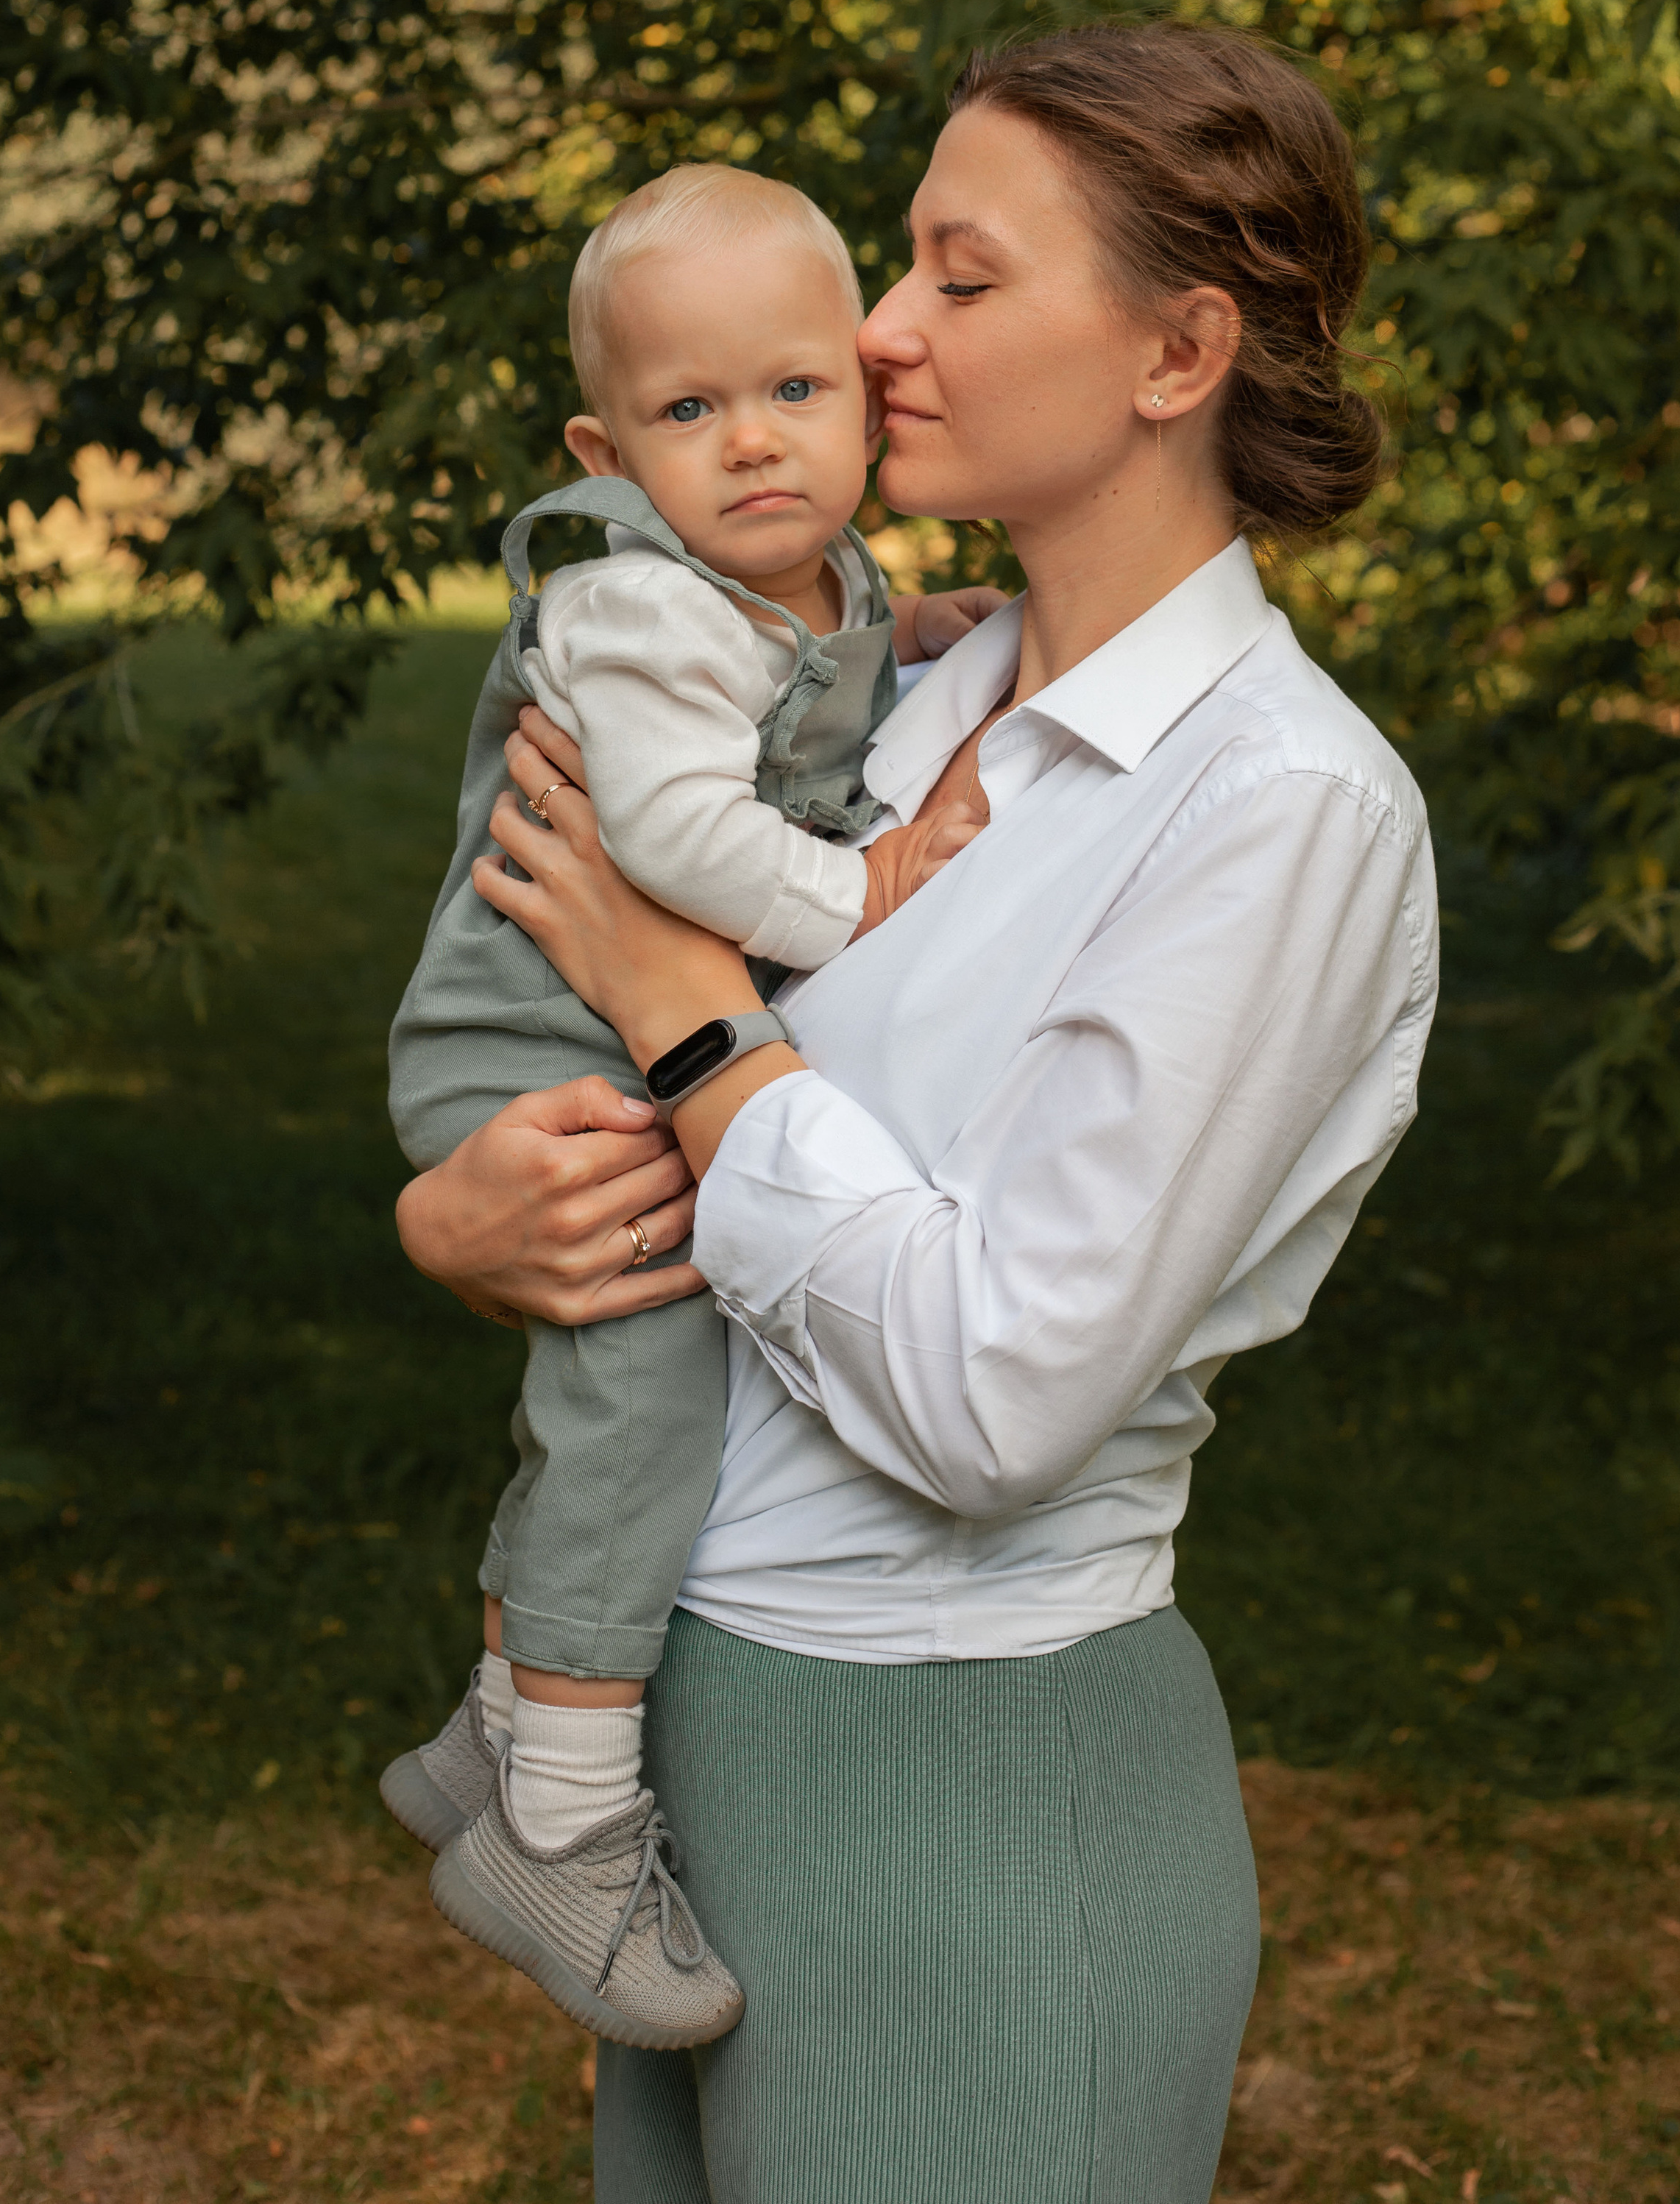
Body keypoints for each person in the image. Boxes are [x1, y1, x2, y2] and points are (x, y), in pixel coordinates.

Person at [397, 24, 1440, 2203]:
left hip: (968, 1778)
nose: (875, 332)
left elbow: (988, 1396)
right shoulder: (890, 689)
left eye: (960, 278)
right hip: (709, 1745)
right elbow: (560, 1028)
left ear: (1180, 350)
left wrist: (692, 1028)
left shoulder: (1285, 813)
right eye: (899, 269)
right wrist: (472, 1216)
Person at [380, 162, 1002, 2052]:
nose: (750, 445)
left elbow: (792, 687)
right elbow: (669, 827)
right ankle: (560, 1823)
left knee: (639, 1375)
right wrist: (868, 893)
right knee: (642, 1382)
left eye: (794, 394)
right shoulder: (641, 604)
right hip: (534, 1041)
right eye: (685, 412)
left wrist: (902, 640)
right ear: (603, 446)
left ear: (863, 392)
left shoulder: (796, 576)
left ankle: (487, 1740)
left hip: (594, 1021)